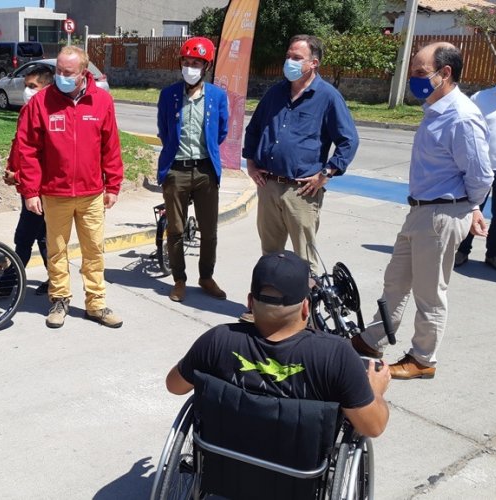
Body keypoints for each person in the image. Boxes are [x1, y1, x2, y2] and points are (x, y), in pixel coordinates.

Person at [352, 43, 494, 380]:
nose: (413, 79)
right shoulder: (434, 109)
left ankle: (423, 358)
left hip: (442, 214)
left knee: (430, 292)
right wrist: (471, 207)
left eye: (420, 72)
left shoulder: (461, 116)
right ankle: (374, 339)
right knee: (396, 281)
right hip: (421, 211)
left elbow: (481, 175)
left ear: (445, 73)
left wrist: (468, 206)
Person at [165, 251, 390, 439]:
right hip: (299, 472)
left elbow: (174, 385)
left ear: (250, 302)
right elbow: (373, 427)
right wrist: (376, 391)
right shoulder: (336, 356)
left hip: (224, 465)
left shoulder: (217, 340)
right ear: (305, 307)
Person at [240, 34, 359, 322]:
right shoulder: (275, 93)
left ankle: (305, 319)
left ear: (313, 63)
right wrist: (251, 163)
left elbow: (348, 141)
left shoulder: (327, 97)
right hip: (268, 185)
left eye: (297, 58)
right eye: (288, 56)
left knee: (305, 261)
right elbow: (254, 129)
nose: (289, 62)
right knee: (270, 256)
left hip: (302, 191)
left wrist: (326, 173)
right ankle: (264, 311)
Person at [15, 45, 125, 329]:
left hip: (91, 194)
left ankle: (96, 303)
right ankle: (59, 299)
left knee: (94, 251)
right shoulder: (41, 103)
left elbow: (111, 145)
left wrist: (113, 185)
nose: (61, 76)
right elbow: (28, 150)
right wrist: (30, 191)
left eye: (68, 72)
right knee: (56, 251)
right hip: (55, 194)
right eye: (58, 70)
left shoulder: (101, 101)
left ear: (83, 72)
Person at [156, 37, 230, 303]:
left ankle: (206, 277)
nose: (190, 67)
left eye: (196, 63)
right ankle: (179, 279)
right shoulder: (168, 95)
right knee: (175, 229)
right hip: (176, 170)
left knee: (209, 230)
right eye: (186, 62)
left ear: (206, 67)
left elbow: (221, 131)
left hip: (205, 171)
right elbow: (164, 130)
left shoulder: (217, 96)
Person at [454, 56, 496, 272]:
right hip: (480, 167)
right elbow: (465, 126)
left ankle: (494, 254)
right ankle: (462, 251)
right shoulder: (481, 98)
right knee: (471, 211)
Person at [1, 64, 55, 296]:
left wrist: (19, 176)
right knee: (42, 237)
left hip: (37, 189)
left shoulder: (47, 115)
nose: (27, 91)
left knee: (24, 238)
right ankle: (56, 281)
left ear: (47, 87)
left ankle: (6, 285)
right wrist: (13, 171)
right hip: (28, 187)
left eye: (33, 86)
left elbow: (44, 159)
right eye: (26, 86)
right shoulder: (29, 110)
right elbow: (21, 147)